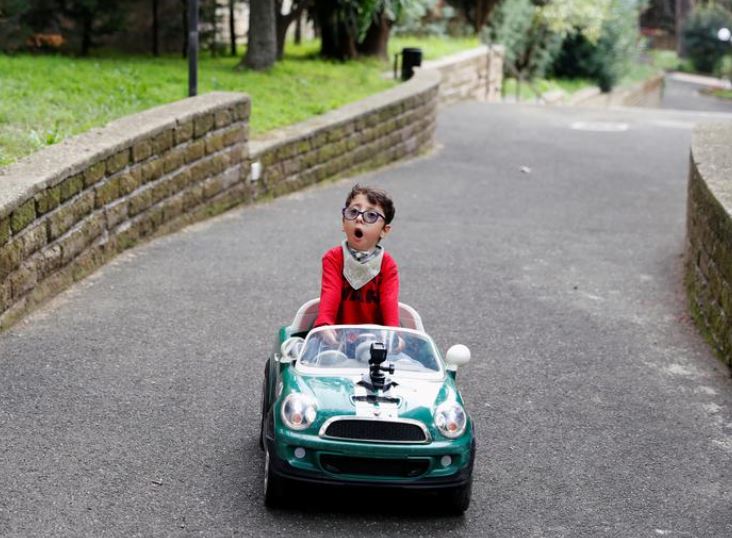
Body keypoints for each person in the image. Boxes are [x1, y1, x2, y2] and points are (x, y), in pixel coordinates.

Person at [313, 184, 399, 328]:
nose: (359, 218)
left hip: (375, 342)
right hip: (336, 340)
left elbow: (389, 304)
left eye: (371, 215)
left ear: (384, 230)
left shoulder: (387, 264)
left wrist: (394, 333)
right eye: (353, 212)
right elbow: (330, 294)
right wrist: (324, 325)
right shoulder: (334, 258)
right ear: (343, 222)